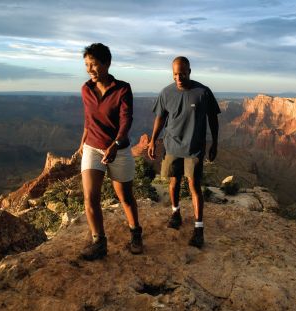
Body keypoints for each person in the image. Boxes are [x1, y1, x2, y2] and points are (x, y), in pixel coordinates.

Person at [77, 43, 143, 260]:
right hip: (92, 148)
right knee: (90, 196)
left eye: (94, 64)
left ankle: (135, 232)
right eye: (86, 65)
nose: (89, 69)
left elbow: (126, 120)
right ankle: (99, 242)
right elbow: (88, 118)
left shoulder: (123, 88)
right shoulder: (86, 89)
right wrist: (83, 141)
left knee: (124, 196)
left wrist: (116, 144)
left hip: (119, 148)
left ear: (106, 63)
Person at [148, 56, 220, 248]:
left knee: (194, 186)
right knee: (173, 182)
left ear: (189, 71)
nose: (178, 77)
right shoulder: (166, 93)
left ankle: (198, 229)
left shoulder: (203, 92)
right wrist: (153, 140)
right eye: (175, 74)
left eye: (182, 73)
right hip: (172, 146)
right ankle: (175, 212)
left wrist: (215, 143)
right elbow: (160, 119)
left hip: (194, 148)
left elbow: (213, 119)